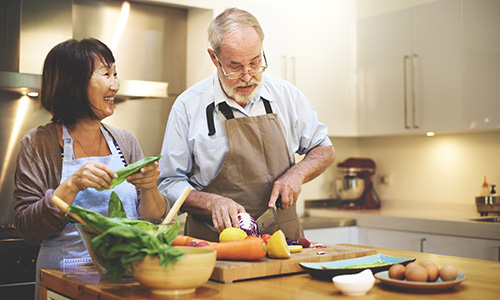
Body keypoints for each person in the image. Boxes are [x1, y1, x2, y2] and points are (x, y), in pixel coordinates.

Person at [158, 8, 335, 242]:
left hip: (283, 242)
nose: (247, 75)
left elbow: (324, 149)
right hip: (213, 246)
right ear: (214, 58)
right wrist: (211, 202)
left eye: (255, 62)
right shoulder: (188, 107)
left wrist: (297, 174)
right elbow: (168, 183)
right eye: (235, 66)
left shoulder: (286, 96)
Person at [13, 38, 168, 298]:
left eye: (115, 74)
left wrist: (150, 186)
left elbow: (151, 219)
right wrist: (72, 185)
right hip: (65, 281)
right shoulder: (39, 143)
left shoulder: (125, 141)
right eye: (106, 74)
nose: (115, 85)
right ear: (72, 83)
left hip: (124, 278)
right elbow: (27, 227)